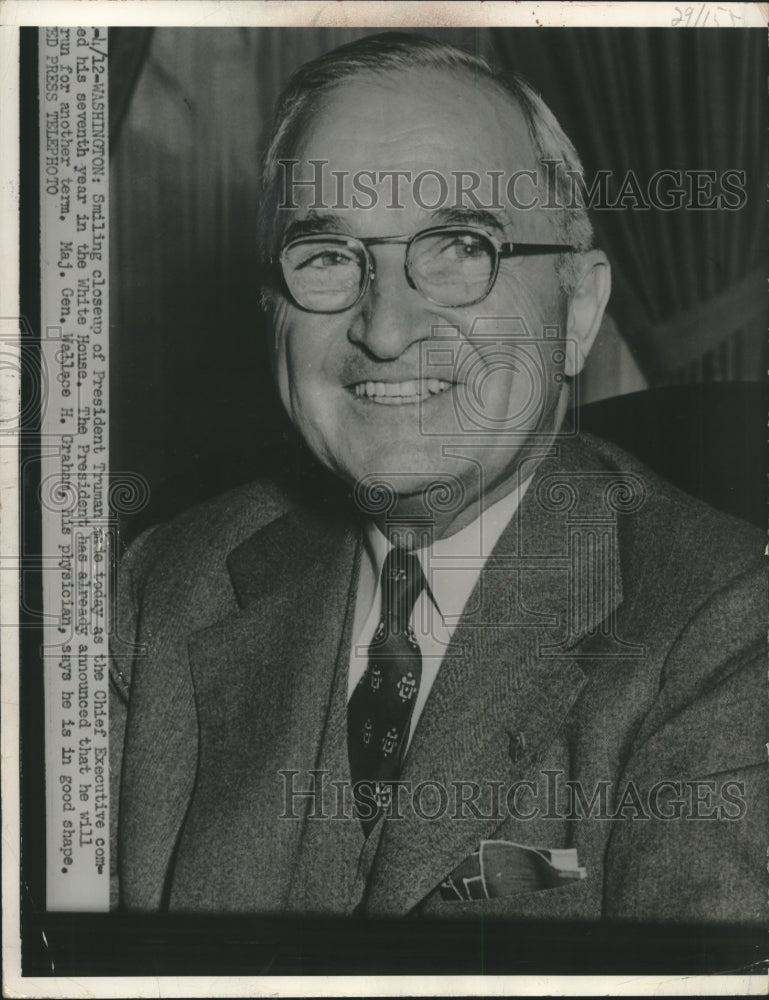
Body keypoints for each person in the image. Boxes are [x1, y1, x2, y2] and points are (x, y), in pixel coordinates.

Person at [110, 32, 765, 921]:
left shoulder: (729, 631)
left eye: (459, 247)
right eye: (330, 258)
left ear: (576, 310)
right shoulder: (165, 586)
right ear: (271, 312)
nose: (384, 329)